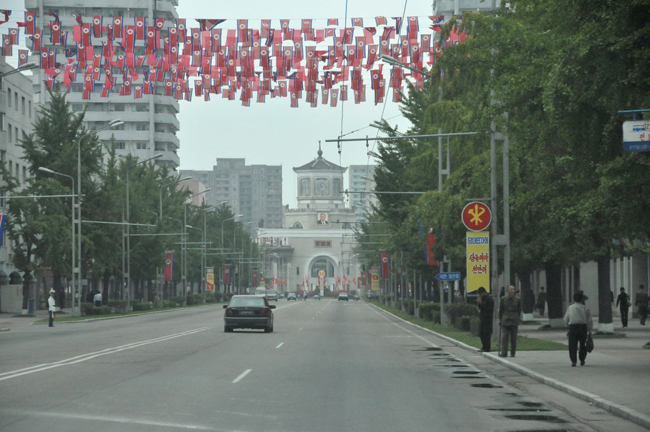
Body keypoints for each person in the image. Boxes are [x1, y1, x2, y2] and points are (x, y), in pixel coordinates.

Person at [563, 291, 593, 366]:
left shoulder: (570, 308)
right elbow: (589, 320)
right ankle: (582, 359)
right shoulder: (585, 308)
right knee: (582, 344)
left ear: (574, 299)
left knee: (572, 344)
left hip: (573, 327)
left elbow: (566, 319)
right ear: (581, 299)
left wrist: (567, 325)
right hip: (582, 327)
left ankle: (573, 361)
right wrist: (589, 330)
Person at [498, 285, 521, 358]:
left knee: (513, 338)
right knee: (504, 337)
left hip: (514, 319)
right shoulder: (503, 299)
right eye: (511, 289)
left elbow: (519, 310)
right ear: (507, 291)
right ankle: (504, 352)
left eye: (513, 289)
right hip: (506, 319)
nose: (512, 291)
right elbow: (501, 310)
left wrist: (517, 318)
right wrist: (500, 319)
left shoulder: (517, 299)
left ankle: (513, 352)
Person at [476, 287, 494, 352]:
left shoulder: (489, 299)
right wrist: (479, 304)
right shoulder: (482, 299)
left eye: (480, 294)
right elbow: (481, 308)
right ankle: (484, 346)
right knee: (482, 333)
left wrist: (481, 304)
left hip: (488, 319)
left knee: (487, 334)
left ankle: (487, 348)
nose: (480, 296)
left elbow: (488, 309)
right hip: (483, 319)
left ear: (483, 292)